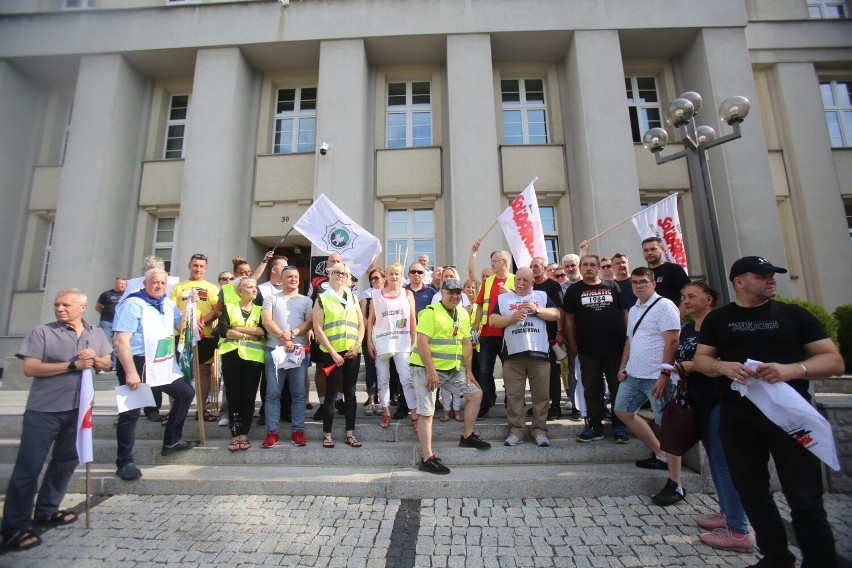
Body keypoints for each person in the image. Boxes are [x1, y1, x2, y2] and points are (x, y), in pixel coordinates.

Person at [695, 256, 844, 567]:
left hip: (790, 419)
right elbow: (702, 361)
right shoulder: (719, 320)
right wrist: (722, 366)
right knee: (751, 491)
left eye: (771, 275)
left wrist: (794, 369)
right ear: (740, 282)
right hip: (739, 418)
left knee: (804, 495)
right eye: (762, 275)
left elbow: (833, 361)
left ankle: (820, 560)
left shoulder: (794, 315)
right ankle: (776, 556)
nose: (771, 279)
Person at [1, 289, 111, 552]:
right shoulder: (43, 332)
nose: (60, 308)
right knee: (29, 467)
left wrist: (94, 359)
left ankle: (47, 510)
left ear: (83, 307)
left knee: (64, 462)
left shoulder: (95, 333)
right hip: (44, 410)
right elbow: (30, 368)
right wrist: (72, 365)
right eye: (56, 304)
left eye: (66, 305)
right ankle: (14, 527)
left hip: (79, 409)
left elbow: (106, 363)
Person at [674, 281, 751, 554]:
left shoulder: (722, 323)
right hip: (699, 400)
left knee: (722, 461)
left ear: (710, 298)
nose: (686, 300)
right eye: (683, 296)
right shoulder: (686, 328)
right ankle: (726, 511)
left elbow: (726, 361)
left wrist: (691, 366)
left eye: (692, 296)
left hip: (721, 398)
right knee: (714, 457)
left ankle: (738, 531)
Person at [113, 269, 197, 481]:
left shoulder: (167, 303)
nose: (159, 286)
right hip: (138, 362)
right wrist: (131, 372)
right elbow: (121, 341)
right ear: (145, 283)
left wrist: (191, 309)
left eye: (162, 282)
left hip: (163, 360)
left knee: (185, 393)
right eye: (155, 282)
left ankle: (172, 440)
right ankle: (124, 461)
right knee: (131, 413)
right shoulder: (132, 304)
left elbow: (180, 326)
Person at [614, 267, 684, 506]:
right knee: (622, 410)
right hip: (633, 373)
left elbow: (673, 340)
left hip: (657, 376)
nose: (638, 286)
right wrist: (623, 366)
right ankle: (660, 453)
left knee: (667, 425)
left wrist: (665, 373)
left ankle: (677, 484)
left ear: (653, 284)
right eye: (634, 283)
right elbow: (630, 340)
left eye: (643, 282)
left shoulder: (665, 306)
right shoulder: (634, 309)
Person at [410, 278, 491, 474]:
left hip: (452, 369)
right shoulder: (431, 312)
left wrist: (469, 371)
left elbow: (466, 344)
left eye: (458, 293)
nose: (454, 296)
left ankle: (467, 436)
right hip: (424, 368)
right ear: (442, 293)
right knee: (427, 411)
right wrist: (431, 371)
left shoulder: (463, 313)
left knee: (475, 394)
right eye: (450, 292)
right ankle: (427, 458)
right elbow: (422, 343)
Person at [489, 268, 561, 447]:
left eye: (525, 280)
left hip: (539, 354)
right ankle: (516, 431)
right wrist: (511, 317)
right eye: (518, 279)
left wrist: (537, 310)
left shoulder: (541, 296)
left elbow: (556, 314)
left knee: (541, 395)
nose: (521, 283)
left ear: (533, 282)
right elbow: (493, 320)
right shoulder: (504, 298)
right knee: (514, 396)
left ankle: (540, 431)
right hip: (512, 355)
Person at [564, 254, 629, 444]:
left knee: (618, 388)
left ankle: (620, 425)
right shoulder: (574, 290)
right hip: (587, 348)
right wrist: (572, 343)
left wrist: (628, 339)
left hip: (615, 348)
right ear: (580, 268)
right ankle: (594, 426)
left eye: (593, 264)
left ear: (599, 267)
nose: (589, 268)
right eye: (585, 265)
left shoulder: (612, 286)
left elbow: (624, 312)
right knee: (592, 389)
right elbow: (569, 318)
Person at [312, 262, 365, 448]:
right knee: (331, 394)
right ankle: (327, 434)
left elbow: (361, 325)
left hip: (351, 353)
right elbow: (318, 328)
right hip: (331, 354)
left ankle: (350, 434)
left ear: (348, 277)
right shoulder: (322, 298)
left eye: (343, 273)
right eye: (336, 272)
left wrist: (358, 345)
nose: (340, 276)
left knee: (350, 394)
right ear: (330, 274)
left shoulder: (353, 297)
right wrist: (333, 353)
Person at [261, 265, 313, 448]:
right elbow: (267, 321)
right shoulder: (271, 298)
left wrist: (292, 333)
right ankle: (272, 432)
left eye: (296, 277)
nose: (293, 279)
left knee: (298, 394)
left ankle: (298, 431)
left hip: (297, 352)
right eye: (289, 276)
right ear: (281, 279)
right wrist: (284, 337)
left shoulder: (306, 300)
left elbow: (308, 322)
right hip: (275, 351)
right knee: (273, 394)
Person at [367, 263, 417, 430]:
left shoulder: (407, 293)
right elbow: (371, 320)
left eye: (397, 274)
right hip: (381, 341)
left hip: (402, 341)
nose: (394, 277)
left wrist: (414, 339)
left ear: (401, 276)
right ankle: (386, 411)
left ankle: (414, 414)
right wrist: (368, 341)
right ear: (385, 276)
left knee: (406, 379)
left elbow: (412, 319)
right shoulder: (376, 295)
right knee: (383, 380)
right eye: (391, 274)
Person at [218, 278, 265, 451]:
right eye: (250, 287)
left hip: (253, 359)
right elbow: (224, 331)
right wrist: (249, 334)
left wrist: (239, 330)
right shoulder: (229, 307)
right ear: (240, 290)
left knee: (248, 397)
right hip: (232, 357)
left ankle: (244, 435)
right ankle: (235, 434)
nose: (254, 290)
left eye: (256, 287)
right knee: (233, 396)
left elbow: (262, 332)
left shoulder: (261, 310)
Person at [172, 253, 219, 423]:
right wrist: (184, 325)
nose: (197, 269)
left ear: (206, 268)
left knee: (204, 371)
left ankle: (202, 408)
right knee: (179, 372)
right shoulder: (178, 287)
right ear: (189, 266)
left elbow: (216, 310)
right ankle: (176, 410)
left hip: (204, 334)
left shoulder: (212, 288)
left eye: (201, 266)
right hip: (182, 335)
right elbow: (173, 310)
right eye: (195, 265)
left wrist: (201, 322)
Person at [472, 248, 515, 418]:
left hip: (508, 334)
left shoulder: (514, 279)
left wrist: (511, 294)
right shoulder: (488, 281)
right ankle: (486, 402)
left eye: (494, 261)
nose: (491, 264)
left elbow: (523, 301)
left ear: (504, 262)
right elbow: (481, 304)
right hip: (487, 334)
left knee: (510, 370)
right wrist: (476, 325)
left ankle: (511, 403)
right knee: (484, 371)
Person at [309, 251, 343, 421]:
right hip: (320, 334)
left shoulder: (350, 283)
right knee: (321, 368)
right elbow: (309, 304)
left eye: (338, 261)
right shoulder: (316, 281)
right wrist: (310, 327)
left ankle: (340, 400)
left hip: (342, 334)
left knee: (342, 368)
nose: (335, 263)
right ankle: (323, 404)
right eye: (332, 261)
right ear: (327, 264)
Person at [530, 257, 565, 420]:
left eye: (537, 266)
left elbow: (559, 310)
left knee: (552, 372)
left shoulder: (552, 285)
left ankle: (556, 406)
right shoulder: (531, 286)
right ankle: (540, 405)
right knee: (536, 373)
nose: (534, 268)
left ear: (544, 268)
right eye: (531, 266)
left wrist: (559, 331)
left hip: (550, 335)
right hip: (534, 335)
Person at [360, 267, 385, 416]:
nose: (373, 281)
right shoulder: (366, 294)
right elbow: (362, 316)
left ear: (384, 279)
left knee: (384, 371)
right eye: (371, 278)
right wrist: (371, 331)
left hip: (385, 336)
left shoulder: (388, 293)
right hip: (369, 335)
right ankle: (371, 400)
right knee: (370, 368)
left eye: (376, 278)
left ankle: (383, 400)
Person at [641, 237, 690, 306]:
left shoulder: (674, 269)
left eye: (653, 249)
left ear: (662, 249)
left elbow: (688, 294)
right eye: (646, 250)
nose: (649, 253)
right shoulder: (643, 273)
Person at [95, 277, 126, 371]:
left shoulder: (127, 295)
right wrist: (106, 314)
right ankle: (104, 365)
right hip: (107, 322)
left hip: (121, 323)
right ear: (116, 284)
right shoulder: (106, 294)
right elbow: (98, 307)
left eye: (124, 284)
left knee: (118, 343)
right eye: (121, 284)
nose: (123, 286)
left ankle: (114, 365)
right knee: (106, 343)